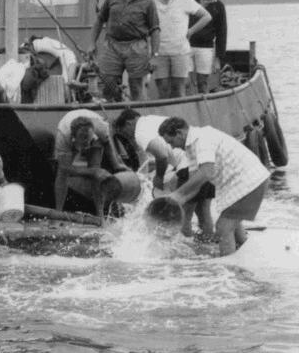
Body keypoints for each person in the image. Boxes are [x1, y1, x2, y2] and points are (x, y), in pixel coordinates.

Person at [155, 117, 269, 256]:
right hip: (236, 185)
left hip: (249, 182)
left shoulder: (203, 138)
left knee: (223, 228)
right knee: (233, 226)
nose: (172, 147)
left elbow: (206, 172)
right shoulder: (190, 147)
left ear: (179, 133)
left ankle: (229, 273)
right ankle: (244, 259)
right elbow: (195, 185)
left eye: (171, 142)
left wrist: (177, 194)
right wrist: (177, 201)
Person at [113, 109, 213, 238]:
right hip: (204, 162)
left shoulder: (139, 133)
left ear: (128, 123)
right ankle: (209, 247)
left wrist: (159, 177)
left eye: (124, 133)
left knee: (183, 216)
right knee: (204, 212)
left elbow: (162, 155)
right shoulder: (153, 119)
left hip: (187, 167)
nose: (127, 137)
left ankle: (189, 253)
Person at [90, 0, 160, 101]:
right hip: (112, 46)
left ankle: (140, 118)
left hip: (137, 47)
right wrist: (92, 43)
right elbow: (99, 20)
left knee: (136, 87)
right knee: (108, 85)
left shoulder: (148, 2)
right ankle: (113, 115)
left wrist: (154, 55)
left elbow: (155, 29)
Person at [53, 108, 127, 216]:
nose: (86, 145)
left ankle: (100, 216)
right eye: (83, 139)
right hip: (70, 134)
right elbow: (65, 167)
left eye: (88, 139)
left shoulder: (100, 127)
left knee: (95, 172)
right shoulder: (63, 135)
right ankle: (58, 213)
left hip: (95, 134)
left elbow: (107, 143)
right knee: (62, 174)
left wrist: (116, 164)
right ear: (73, 137)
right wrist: (93, 172)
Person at [151, 0, 211, 99]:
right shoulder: (150, 0)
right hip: (159, 52)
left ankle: (179, 118)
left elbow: (206, 16)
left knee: (179, 90)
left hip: (180, 52)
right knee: (163, 90)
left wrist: (191, 31)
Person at [188, 0, 228, 95]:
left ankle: (203, 103)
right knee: (185, 81)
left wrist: (217, 58)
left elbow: (222, 33)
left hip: (206, 47)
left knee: (203, 82)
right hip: (185, 45)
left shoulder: (219, 6)